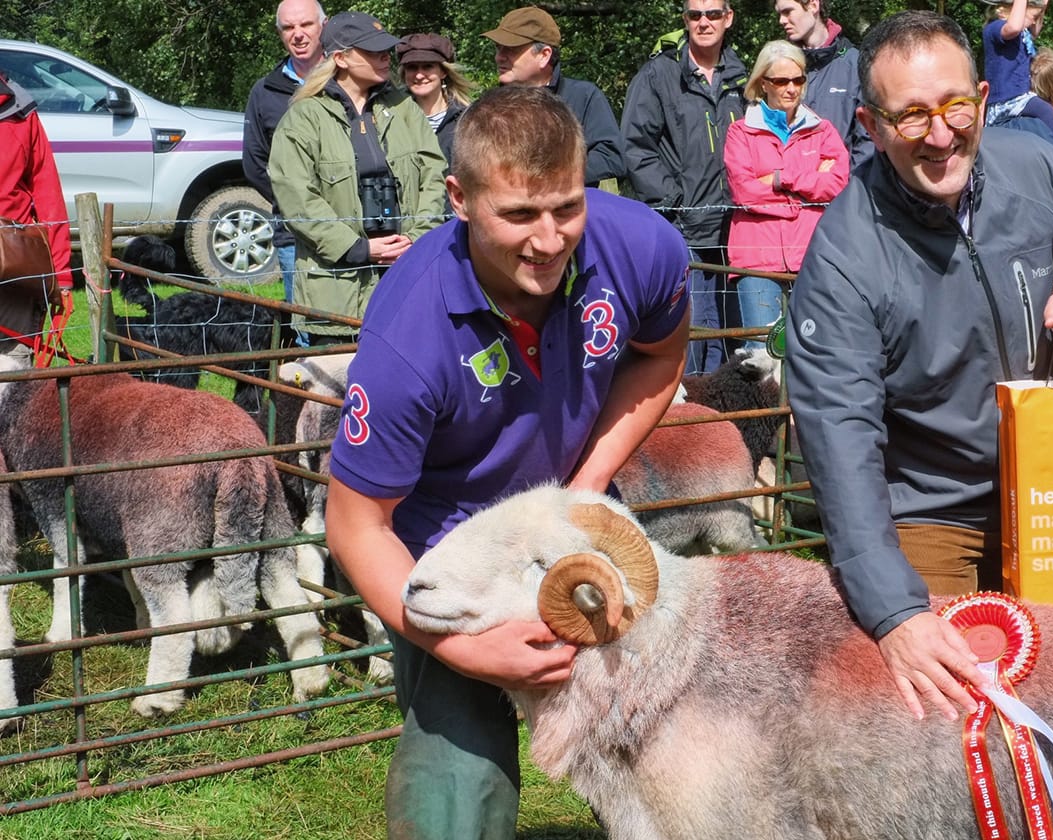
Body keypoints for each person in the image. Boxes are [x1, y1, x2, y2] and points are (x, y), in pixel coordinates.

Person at [323, 84, 691, 839]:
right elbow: (356, 525)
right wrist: (462, 644)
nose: (550, 239)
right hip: (449, 548)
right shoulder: (407, 338)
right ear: (458, 197)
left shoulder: (643, 247)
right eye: (519, 214)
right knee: (462, 772)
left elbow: (661, 355)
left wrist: (583, 493)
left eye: (566, 206)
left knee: (646, 742)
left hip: (569, 522)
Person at [786, 10, 1053, 722]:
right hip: (929, 511)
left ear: (979, 95)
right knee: (940, 721)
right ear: (872, 127)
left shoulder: (1032, 165)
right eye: (911, 118)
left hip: (1052, 490)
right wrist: (894, 611)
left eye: (954, 107)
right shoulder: (845, 256)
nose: (941, 135)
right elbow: (840, 441)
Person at [269, 11, 448, 345]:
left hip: (407, 279)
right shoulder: (304, 118)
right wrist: (359, 248)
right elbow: (295, 195)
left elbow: (434, 174)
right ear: (341, 58)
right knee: (341, 393)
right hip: (337, 293)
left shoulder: (405, 108)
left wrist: (417, 239)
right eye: (373, 50)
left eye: (386, 49)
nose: (386, 57)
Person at [621, 0, 748, 375]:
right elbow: (635, 146)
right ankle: (692, 422)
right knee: (693, 335)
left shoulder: (744, 76)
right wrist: (673, 201)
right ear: (685, 19)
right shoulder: (659, 75)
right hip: (684, 226)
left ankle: (725, 424)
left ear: (728, 18)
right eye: (695, 15)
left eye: (712, 14)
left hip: (737, 229)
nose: (703, 22)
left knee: (733, 335)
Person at [722, 40, 848, 344]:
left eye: (798, 79)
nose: (791, 88)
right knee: (761, 356)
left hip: (812, 259)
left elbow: (838, 184)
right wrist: (804, 195)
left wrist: (780, 178)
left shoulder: (823, 130)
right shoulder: (740, 132)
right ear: (763, 83)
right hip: (757, 263)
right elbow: (744, 192)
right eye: (781, 81)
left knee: (814, 351)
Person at [482, 6, 628, 188]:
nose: (499, 57)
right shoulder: (489, 106)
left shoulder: (583, 97)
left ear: (544, 55)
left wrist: (552, 176)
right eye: (498, 48)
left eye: (511, 49)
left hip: (566, 212)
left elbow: (611, 157)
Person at [243, 0, 326, 303]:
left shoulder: (349, 80)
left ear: (323, 27)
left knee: (361, 325)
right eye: (289, 28)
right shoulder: (265, 92)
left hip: (355, 231)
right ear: (280, 34)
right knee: (305, 327)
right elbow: (255, 164)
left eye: (306, 25)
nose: (298, 34)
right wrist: (295, 202)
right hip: (294, 235)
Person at [0, 68, 72, 366]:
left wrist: (62, 275)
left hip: (16, 264)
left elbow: (47, 194)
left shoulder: (21, 112)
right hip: (17, 258)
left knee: (14, 372)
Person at [774, 0, 873, 165]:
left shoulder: (856, 65)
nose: (782, 20)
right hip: (791, 185)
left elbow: (868, 141)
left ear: (813, 5)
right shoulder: (780, 66)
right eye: (779, 13)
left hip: (843, 185)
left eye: (788, 11)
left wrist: (846, 185)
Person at [980, 0, 1053, 135]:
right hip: (1005, 100)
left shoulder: (1024, 33)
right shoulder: (995, 28)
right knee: (1046, 111)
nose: (1034, 22)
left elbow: (1035, 31)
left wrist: (1043, 7)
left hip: (1019, 98)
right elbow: (1014, 27)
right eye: (1033, 17)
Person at [397, 34, 476, 166]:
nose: (419, 75)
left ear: (443, 72)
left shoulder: (467, 119)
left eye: (427, 66)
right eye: (412, 67)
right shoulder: (392, 118)